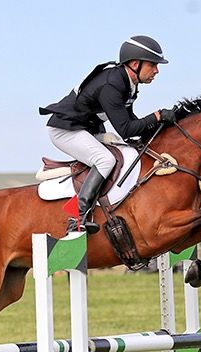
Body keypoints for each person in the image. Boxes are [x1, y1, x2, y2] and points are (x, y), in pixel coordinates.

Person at [40, 35, 175, 234]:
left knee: (125, 148)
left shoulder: (128, 82)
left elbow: (130, 126)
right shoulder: (112, 84)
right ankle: (78, 216)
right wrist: (156, 116)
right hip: (65, 130)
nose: (156, 70)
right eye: (153, 65)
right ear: (135, 63)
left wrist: (158, 125)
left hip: (86, 129)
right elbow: (127, 128)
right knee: (105, 159)